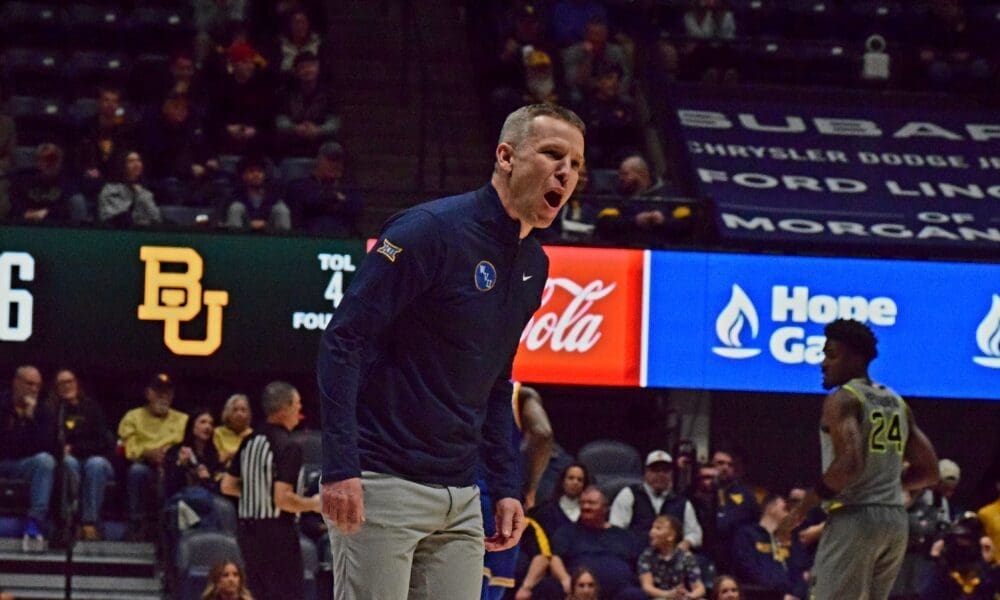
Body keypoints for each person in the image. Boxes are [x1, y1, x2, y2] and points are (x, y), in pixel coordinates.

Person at [317, 103, 585, 599]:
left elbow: (497, 379)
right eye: (553, 154)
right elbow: (343, 342)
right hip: (382, 481)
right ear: (505, 156)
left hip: (461, 497)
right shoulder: (428, 231)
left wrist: (505, 486)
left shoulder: (535, 265)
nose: (565, 173)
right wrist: (340, 467)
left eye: (575, 165)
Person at [781, 319, 940, 600]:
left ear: (855, 358)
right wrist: (888, 481)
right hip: (894, 521)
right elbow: (930, 471)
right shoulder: (896, 402)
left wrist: (800, 510)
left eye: (831, 354)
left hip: (855, 517)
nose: (823, 363)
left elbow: (848, 465)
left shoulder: (843, 399)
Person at [221, 381, 321, 600]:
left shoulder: (249, 441)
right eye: (297, 404)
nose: (299, 410)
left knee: (257, 594)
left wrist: (259, 494)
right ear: (284, 408)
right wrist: (314, 503)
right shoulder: (288, 445)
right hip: (278, 535)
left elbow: (227, 485)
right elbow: (283, 499)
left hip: (247, 532)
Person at [482, 384, 555, 599]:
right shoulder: (518, 393)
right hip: (504, 500)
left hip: (459, 492)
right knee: (491, 587)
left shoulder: (454, 381)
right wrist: (529, 488)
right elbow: (543, 433)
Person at [117, 373, 188, 540]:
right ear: (148, 393)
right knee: (137, 471)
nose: (163, 396)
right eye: (158, 391)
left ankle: (171, 528)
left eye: (167, 392)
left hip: (173, 466)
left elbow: (188, 444)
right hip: (144, 464)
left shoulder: (183, 419)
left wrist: (169, 455)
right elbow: (128, 446)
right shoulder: (133, 417)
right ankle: (137, 523)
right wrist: (148, 452)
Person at [48, 369, 115, 541]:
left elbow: (103, 442)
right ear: (55, 388)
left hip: (94, 457)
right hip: (69, 460)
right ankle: (68, 521)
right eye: (61, 383)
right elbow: (49, 441)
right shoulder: (53, 410)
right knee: (68, 463)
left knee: (95, 464)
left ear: (76, 383)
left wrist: (76, 448)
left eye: (69, 381)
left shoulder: (91, 408)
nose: (66, 386)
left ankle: (89, 522)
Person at [0, 366, 57, 552]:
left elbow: (46, 445)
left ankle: (34, 524)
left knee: (45, 461)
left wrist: (30, 419)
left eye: (38, 385)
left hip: (22, 464)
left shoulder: (42, 411)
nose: (34, 389)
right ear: (17, 382)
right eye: (30, 383)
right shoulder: (2, 404)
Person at [609, 450, 703, 550]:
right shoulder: (629, 495)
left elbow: (695, 534)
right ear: (645, 472)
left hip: (671, 559)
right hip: (635, 556)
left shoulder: (682, 502)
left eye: (665, 471)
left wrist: (686, 543)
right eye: (655, 470)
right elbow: (615, 531)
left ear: (671, 474)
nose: (661, 474)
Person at [732, 494, 806, 600]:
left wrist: (798, 595)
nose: (790, 513)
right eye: (785, 508)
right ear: (771, 508)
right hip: (761, 596)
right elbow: (747, 570)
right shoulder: (746, 535)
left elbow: (800, 571)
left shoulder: (790, 538)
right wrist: (778, 596)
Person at [289, 141, 363, 237]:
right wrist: (335, 198)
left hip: (343, 239)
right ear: (319, 161)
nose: (336, 165)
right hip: (308, 238)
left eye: (339, 160)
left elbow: (356, 207)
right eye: (331, 160)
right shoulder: (301, 184)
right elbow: (306, 203)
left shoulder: (348, 187)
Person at [275, 51, 340, 156]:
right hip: (292, 140)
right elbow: (280, 120)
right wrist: (295, 128)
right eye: (302, 67)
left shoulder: (328, 93)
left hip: (320, 141)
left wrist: (318, 130)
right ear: (296, 72)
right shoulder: (286, 93)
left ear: (318, 68)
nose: (307, 70)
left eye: (311, 66)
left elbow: (334, 122)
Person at [638, 515, 707, 599]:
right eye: (652, 528)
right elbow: (647, 587)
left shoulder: (686, 556)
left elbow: (700, 588)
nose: (651, 532)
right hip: (660, 596)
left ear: (671, 536)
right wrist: (669, 594)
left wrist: (689, 596)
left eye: (658, 528)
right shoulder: (646, 556)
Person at [165, 407, 223, 498]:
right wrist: (180, 465)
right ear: (192, 425)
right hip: (179, 497)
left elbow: (216, 486)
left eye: (211, 424)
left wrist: (207, 479)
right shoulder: (176, 450)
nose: (208, 427)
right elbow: (169, 485)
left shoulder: (213, 454)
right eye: (203, 422)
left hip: (207, 498)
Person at [223, 155, 291, 231]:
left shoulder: (274, 193)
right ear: (244, 176)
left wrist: (263, 223)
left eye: (260, 171)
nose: (256, 175)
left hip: (270, 229)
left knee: (281, 209)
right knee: (236, 208)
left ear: (265, 175)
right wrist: (252, 223)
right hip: (244, 229)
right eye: (251, 171)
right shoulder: (235, 194)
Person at [97, 150, 162, 227]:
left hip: (145, 232)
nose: (136, 164)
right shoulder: (110, 189)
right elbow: (115, 217)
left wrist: (141, 194)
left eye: (139, 160)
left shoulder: (144, 191)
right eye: (131, 161)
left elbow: (156, 217)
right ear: (122, 165)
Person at [213, 393, 253, 467]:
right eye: (235, 410)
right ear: (227, 413)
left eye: (243, 410)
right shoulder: (217, 433)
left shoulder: (252, 434)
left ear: (248, 414)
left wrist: (229, 455)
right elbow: (218, 459)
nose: (239, 414)